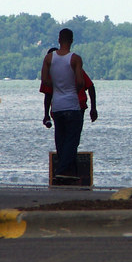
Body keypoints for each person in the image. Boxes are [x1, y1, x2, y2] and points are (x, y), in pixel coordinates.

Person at [40, 29, 97, 184]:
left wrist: (58, 86)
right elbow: (80, 82)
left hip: (57, 106)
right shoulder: (75, 59)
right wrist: (70, 87)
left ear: (59, 39)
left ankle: (68, 172)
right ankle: (63, 170)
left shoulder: (49, 58)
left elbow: (45, 80)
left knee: (61, 139)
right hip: (72, 105)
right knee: (72, 140)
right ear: (71, 40)